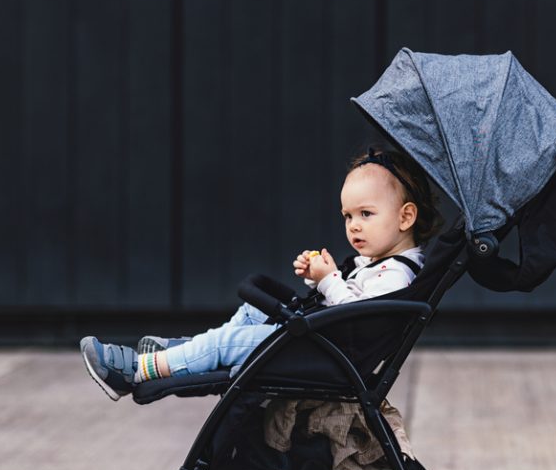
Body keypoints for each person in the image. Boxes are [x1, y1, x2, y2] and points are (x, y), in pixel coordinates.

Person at [80, 147, 440, 400]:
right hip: (322, 345)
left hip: (328, 359)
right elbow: (349, 302)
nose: (353, 226)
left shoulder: (397, 277)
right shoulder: (379, 263)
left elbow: (360, 322)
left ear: (405, 217)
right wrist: (318, 281)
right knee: (255, 311)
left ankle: (140, 370)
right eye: (347, 216)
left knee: (228, 345)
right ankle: (187, 351)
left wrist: (330, 281)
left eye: (366, 214)